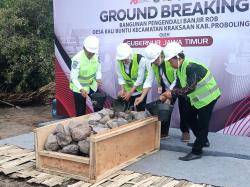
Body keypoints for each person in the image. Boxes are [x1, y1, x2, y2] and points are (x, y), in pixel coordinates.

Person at [160, 42, 221, 161]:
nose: (169, 63)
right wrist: (169, 93)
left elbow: (190, 88)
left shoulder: (191, 67)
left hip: (209, 97)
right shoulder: (179, 69)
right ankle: (203, 140)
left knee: (203, 124)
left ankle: (197, 151)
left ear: (178, 57)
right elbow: (178, 84)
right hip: (198, 98)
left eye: (170, 61)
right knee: (188, 117)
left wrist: (171, 93)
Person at [135, 43, 190, 140]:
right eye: (153, 61)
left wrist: (170, 94)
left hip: (180, 87)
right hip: (165, 89)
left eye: (156, 59)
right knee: (163, 109)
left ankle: (185, 131)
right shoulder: (153, 64)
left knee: (184, 109)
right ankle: (164, 132)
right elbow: (149, 80)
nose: (155, 62)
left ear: (161, 54)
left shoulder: (171, 60)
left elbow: (176, 79)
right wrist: (142, 97)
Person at [70, 35, 103, 116]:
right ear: (84, 48)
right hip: (79, 87)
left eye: (93, 52)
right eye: (89, 52)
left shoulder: (96, 57)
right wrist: (81, 89)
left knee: (98, 106)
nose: (91, 54)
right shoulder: (77, 59)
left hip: (91, 85)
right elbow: (73, 78)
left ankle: (99, 122)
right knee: (80, 111)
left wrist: (99, 78)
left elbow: (98, 70)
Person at [116, 43, 148, 111]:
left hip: (140, 90)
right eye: (122, 60)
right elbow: (120, 77)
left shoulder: (140, 59)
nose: (124, 61)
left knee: (140, 110)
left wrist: (130, 92)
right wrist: (123, 90)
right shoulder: (118, 61)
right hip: (128, 90)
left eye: (125, 59)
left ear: (129, 55)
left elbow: (140, 79)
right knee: (129, 111)